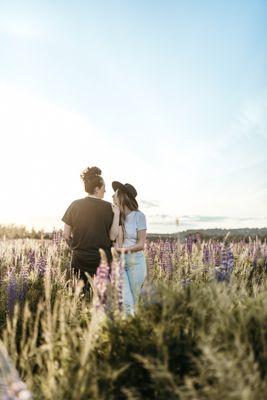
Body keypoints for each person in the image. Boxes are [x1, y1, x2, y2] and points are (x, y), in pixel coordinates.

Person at [62, 166, 120, 289]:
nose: (105, 192)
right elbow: (113, 236)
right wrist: (117, 214)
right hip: (102, 262)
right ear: (97, 188)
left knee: (78, 298)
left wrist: (76, 248)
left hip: (79, 259)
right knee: (101, 299)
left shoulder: (74, 205)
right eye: (104, 188)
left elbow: (66, 235)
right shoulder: (110, 208)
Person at [112, 181, 147, 316]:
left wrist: (121, 251)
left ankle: (133, 330)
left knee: (134, 300)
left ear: (123, 196)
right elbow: (116, 240)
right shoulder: (117, 216)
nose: (113, 197)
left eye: (115, 195)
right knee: (126, 300)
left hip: (136, 262)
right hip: (120, 261)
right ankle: (128, 329)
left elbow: (141, 244)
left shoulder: (139, 216)